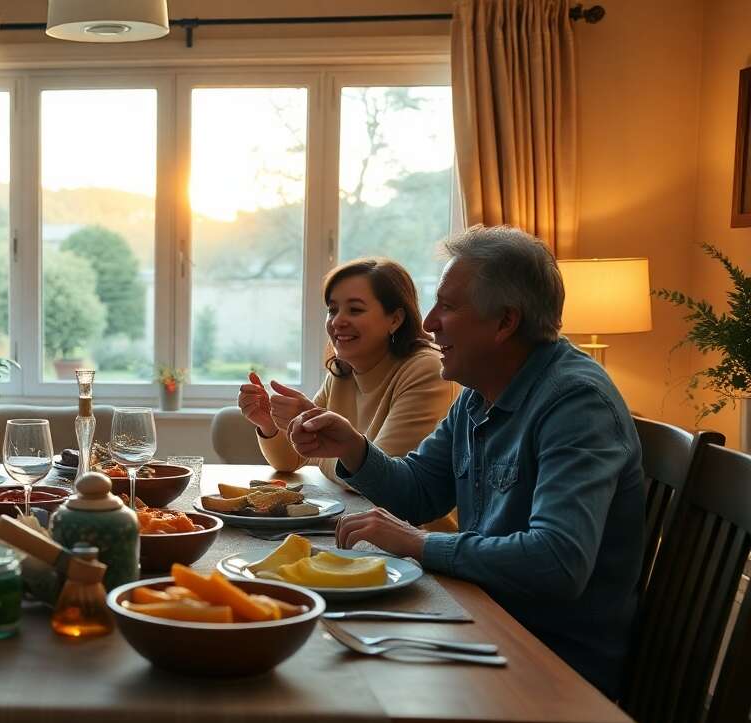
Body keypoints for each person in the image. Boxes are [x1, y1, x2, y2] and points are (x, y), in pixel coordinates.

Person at [287, 225, 644, 696]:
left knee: (326, 681)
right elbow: (420, 491)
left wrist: (421, 544)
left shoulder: (576, 403)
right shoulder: (481, 391)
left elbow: (558, 561)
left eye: (448, 306)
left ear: (504, 323)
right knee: (317, 648)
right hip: (483, 620)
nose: (428, 322)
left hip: (551, 665)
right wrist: (354, 448)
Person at [239, 258, 455, 489]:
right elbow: (292, 460)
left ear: (395, 319)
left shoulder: (427, 370)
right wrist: (269, 425)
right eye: (332, 310)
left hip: (404, 513)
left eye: (355, 310)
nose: (337, 321)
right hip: (357, 509)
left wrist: (323, 447)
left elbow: (381, 479)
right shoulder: (342, 370)